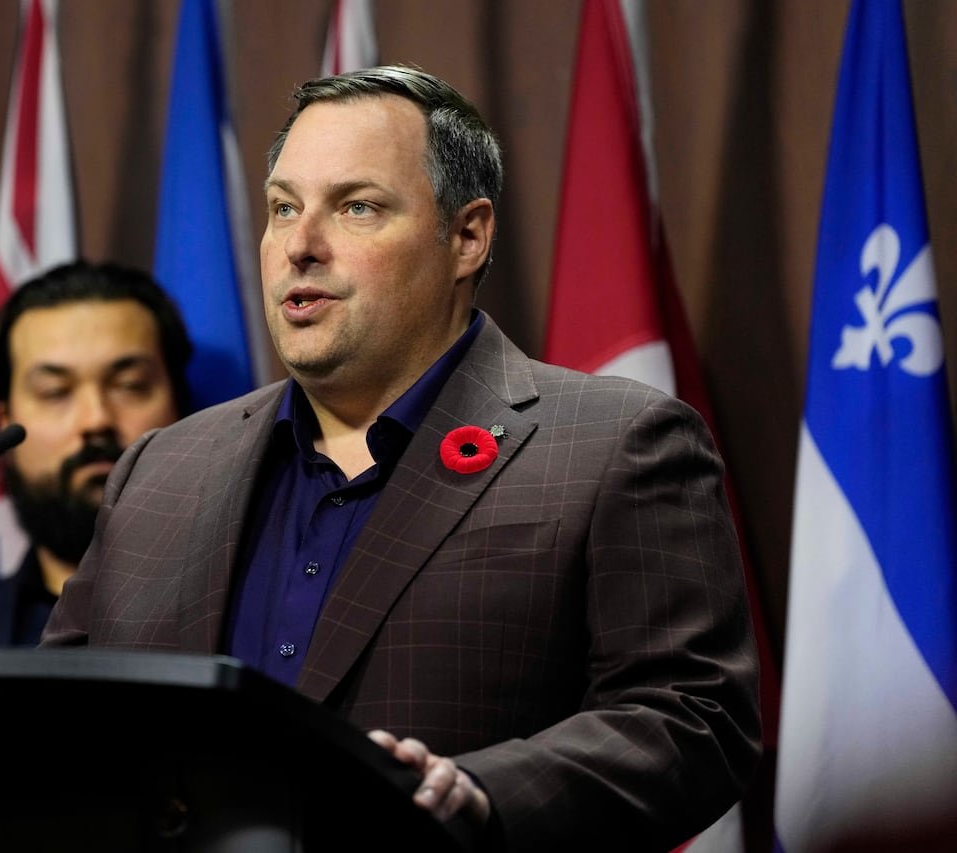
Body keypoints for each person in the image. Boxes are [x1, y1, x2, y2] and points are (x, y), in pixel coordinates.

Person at [42, 66, 761, 850]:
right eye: (283, 208)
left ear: (467, 236)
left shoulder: (615, 442)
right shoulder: (161, 469)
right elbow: (55, 719)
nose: (300, 247)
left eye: (356, 208)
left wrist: (483, 792)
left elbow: (695, 718)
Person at [0, 260, 191, 648]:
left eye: (130, 385)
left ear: (182, 406)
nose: (96, 419)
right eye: (55, 392)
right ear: (5, 423)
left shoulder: (262, 619)